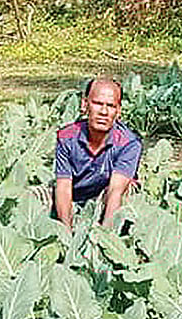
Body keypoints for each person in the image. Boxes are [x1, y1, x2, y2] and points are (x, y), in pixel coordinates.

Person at [51, 77, 142, 228]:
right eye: (98, 104)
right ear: (85, 104)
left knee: (129, 191)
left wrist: (105, 238)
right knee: (32, 196)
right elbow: (63, 188)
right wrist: (66, 235)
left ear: (118, 111)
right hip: (74, 196)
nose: (104, 112)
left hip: (103, 199)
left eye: (111, 106)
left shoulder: (129, 143)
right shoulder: (67, 138)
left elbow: (115, 192)